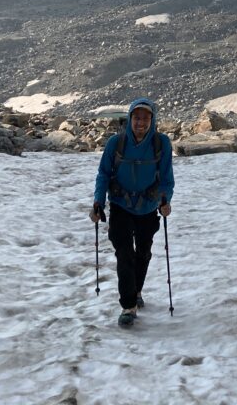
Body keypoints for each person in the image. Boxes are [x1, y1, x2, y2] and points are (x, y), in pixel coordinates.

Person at [90, 97, 174, 327]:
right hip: (120, 205)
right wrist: (98, 201)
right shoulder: (116, 143)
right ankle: (129, 305)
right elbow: (103, 174)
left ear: (152, 120)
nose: (140, 123)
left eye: (145, 118)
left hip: (148, 206)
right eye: (137, 118)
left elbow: (166, 179)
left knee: (143, 253)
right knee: (124, 253)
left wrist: (166, 201)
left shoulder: (161, 143)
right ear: (129, 119)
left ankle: (136, 291)